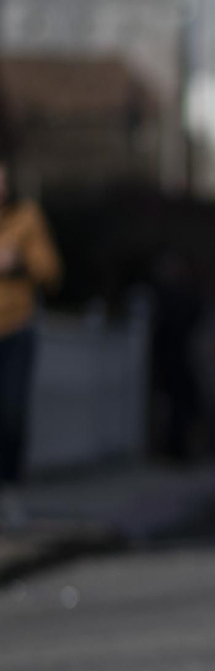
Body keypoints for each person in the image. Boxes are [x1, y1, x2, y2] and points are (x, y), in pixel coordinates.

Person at [0, 160, 61, 530]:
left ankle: (10, 490)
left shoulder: (26, 218)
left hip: (16, 328)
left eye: (3, 179)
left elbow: (52, 272)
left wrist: (18, 261)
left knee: (10, 413)